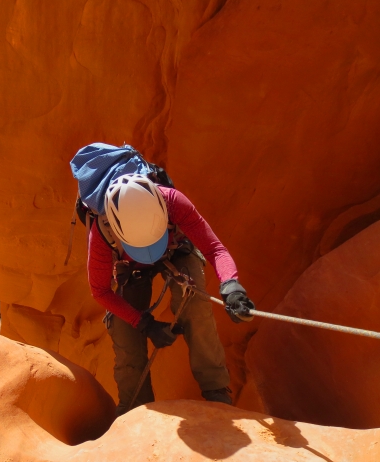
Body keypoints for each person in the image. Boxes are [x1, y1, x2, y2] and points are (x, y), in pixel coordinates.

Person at [87, 173, 255, 415]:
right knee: (125, 332)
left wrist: (231, 286)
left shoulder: (173, 202)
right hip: (132, 268)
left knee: (195, 304)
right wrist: (143, 323)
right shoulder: (102, 233)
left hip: (176, 251)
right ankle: (136, 409)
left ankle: (216, 391)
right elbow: (100, 291)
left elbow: (214, 249)